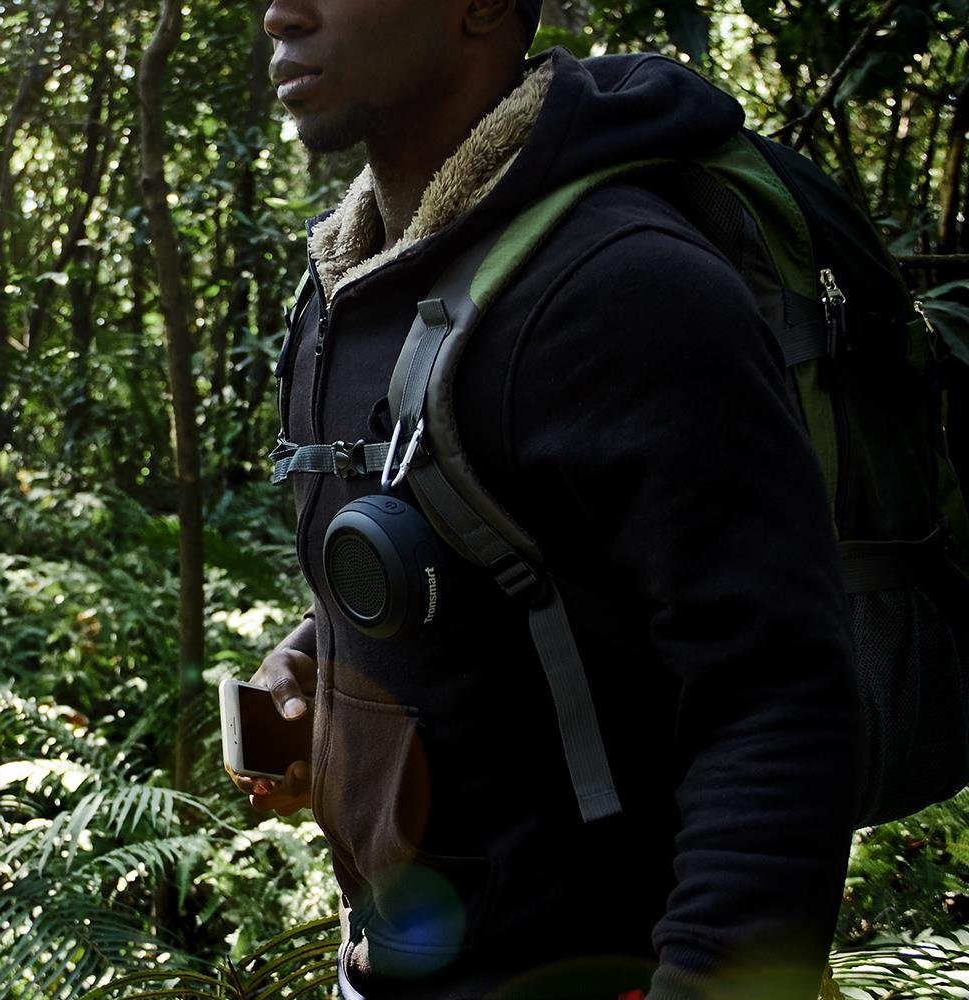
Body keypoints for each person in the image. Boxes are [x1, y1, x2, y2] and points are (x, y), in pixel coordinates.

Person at [230, 1, 862, 997]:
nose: (280, 12)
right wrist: (314, 655)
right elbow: (484, 549)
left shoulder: (627, 285)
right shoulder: (345, 287)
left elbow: (779, 701)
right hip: (389, 961)